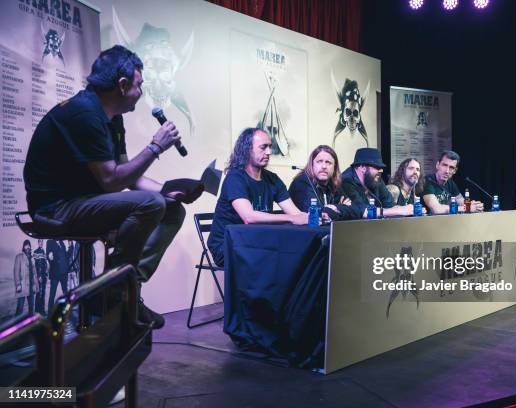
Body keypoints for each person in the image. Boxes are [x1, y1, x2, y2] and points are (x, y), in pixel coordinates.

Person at [23, 45, 204, 329]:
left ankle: (126, 289)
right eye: (139, 85)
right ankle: (111, 291)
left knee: (170, 210)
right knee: (151, 205)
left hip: (83, 201)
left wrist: (167, 191)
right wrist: (155, 147)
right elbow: (110, 182)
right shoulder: (85, 114)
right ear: (122, 85)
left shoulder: (112, 119)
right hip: (55, 209)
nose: (141, 92)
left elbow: (127, 176)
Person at [207, 128, 308, 266]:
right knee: (280, 260)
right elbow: (249, 217)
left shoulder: (272, 179)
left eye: (270, 147)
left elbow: (295, 213)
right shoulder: (235, 178)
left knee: (296, 255)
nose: (269, 152)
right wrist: (292, 219)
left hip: (256, 242)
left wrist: (316, 217)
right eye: (263, 147)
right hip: (227, 246)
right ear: (247, 149)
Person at [288, 145, 359, 221]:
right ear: (312, 165)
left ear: (334, 167)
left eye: (328, 162)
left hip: (328, 231)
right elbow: (319, 214)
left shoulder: (332, 183)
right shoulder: (302, 182)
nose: (324, 166)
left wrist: (336, 207)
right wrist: (342, 207)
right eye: (319, 161)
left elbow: (354, 209)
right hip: (305, 231)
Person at [341, 148, 414, 218]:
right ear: (363, 167)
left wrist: (408, 209)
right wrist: (397, 211)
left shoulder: (375, 179)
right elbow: (362, 211)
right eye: (377, 167)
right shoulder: (345, 181)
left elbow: (389, 204)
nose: (381, 171)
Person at [14, 240, 38, 317]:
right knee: (20, 308)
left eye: (29, 246)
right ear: (23, 247)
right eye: (26, 245)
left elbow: (34, 273)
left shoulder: (32, 258)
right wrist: (18, 284)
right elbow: (16, 272)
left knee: (31, 308)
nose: (28, 247)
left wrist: (36, 285)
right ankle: (16, 326)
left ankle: (30, 324)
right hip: (22, 286)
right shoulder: (19, 257)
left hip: (31, 286)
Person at [46, 239, 69, 314]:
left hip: (63, 274)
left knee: (66, 293)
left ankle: (67, 311)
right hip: (55, 274)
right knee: (52, 294)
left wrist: (71, 248)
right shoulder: (50, 242)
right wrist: (49, 256)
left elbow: (66, 256)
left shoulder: (62, 243)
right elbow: (48, 254)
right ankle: (50, 313)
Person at [32, 239, 48, 314]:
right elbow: (37, 265)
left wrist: (46, 274)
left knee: (43, 293)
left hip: (44, 276)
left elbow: (45, 265)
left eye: (42, 242)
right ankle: (37, 311)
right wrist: (39, 276)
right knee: (39, 293)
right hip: (40, 276)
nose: (41, 243)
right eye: (40, 242)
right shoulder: (36, 252)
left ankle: (41, 310)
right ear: (38, 243)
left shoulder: (43, 252)